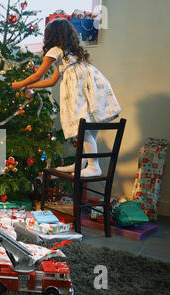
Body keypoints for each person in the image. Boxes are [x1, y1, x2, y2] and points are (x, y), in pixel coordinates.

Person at [12, 18, 122, 177]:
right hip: (94, 84)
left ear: (51, 35)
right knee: (90, 121)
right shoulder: (70, 54)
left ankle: (93, 165)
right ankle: (82, 163)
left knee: (81, 124)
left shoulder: (55, 51)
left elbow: (38, 75)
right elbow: (51, 81)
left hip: (77, 88)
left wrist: (20, 84)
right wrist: (29, 87)